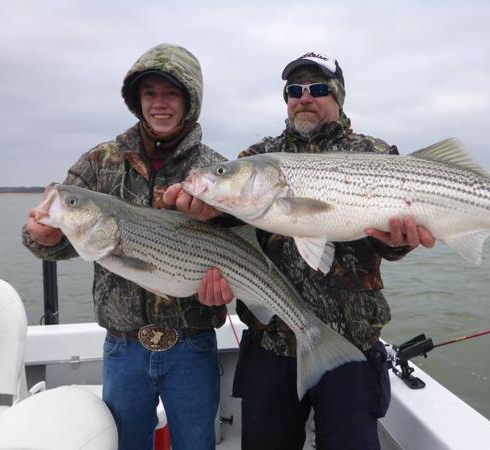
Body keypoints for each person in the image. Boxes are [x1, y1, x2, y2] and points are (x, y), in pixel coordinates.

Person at [166, 51, 435, 450]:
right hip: (271, 340)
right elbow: (226, 224)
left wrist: (398, 242)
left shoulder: (374, 153)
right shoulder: (257, 156)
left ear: (338, 97)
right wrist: (201, 210)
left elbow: (393, 244)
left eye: (318, 88)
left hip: (352, 340)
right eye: (295, 89)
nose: (304, 97)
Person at [23, 43, 227, 450]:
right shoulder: (101, 161)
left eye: (171, 93)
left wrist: (228, 285)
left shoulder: (214, 171)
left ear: (190, 101)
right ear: (137, 100)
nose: (160, 104)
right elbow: (66, 237)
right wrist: (40, 237)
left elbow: (238, 243)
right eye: (150, 94)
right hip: (123, 347)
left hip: (192, 343)